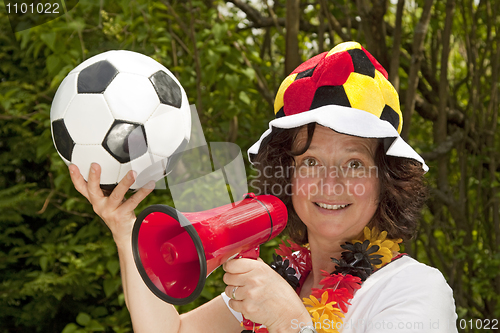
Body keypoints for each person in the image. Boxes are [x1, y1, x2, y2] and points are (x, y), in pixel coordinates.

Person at [69, 41, 458, 333]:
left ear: (384, 180)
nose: (330, 182)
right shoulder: (283, 277)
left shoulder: (416, 289)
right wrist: (126, 231)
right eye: (310, 161)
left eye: (354, 163)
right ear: (288, 176)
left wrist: (290, 319)